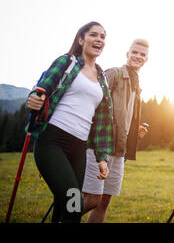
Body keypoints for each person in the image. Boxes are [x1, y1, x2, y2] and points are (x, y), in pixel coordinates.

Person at [27, 21, 113, 223]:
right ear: (81, 39)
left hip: (78, 148)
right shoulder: (67, 62)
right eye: (94, 35)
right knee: (74, 205)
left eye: (102, 36)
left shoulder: (102, 78)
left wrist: (102, 158)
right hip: (52, 142)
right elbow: (42, 89)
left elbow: (102, 124)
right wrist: (34, 99)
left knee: (63, 207)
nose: (99, 39)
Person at [82, 39, 149, 223]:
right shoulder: (113, 74)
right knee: (90, 199)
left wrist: (134, 131)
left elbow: (122, 116)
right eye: (134, 52)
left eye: (142, 54)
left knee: (103, 202)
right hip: (99, 147)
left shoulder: (136, 84)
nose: (138, 56)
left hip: (118, 151)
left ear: (146, 59)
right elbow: (93, 103)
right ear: (127, 53)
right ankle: (63, 215)